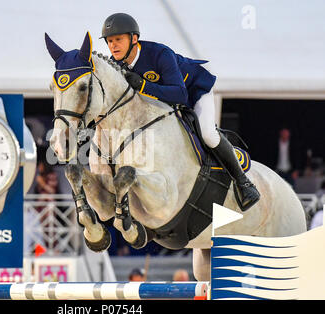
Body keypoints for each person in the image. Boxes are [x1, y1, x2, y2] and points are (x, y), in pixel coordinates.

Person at [100, 13, 260, 211]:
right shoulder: (118, 65)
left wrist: (143, 85)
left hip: (195, 91)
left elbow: (180, 95)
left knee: (208, 134)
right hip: (165, 103)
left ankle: (244, 183)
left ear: (134, 39)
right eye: (109, 41)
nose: (113, 45)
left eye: (118, 39)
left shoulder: (160, 54)